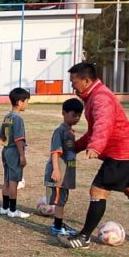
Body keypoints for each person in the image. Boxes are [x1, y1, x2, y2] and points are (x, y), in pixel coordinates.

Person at [58, 62, 129, 248]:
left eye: (74, 82)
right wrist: (76, 147)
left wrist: (96, 146)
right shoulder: (94, 96)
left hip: (120, 152)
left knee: (98, 191)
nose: (72, 86)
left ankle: (84, 237)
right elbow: (93, 131)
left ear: (86, 80)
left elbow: (103, 125)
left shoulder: (100, 98)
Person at [45, 98, 84, 237]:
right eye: (74, 115)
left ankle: (59, 224)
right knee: (59, 200)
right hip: (59, 172)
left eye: (79, 116)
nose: (77, 118)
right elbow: (55, 151)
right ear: (64, 113)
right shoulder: (60, 131)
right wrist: (56, 170)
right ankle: (57, 227)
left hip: (67, 173)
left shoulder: (70, 132)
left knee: (63, 199)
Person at [0, 87, 30, 218]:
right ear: (19, 102)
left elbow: (0, 136)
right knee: (14, 181)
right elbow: (18, 139)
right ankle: (12, 210)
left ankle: (4, 207)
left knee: (6, 179)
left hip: (5, 150)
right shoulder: (18, 119)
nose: (27, 104)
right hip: (14, 151)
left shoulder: (7, 117)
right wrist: (22, 155)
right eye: (26, 101)